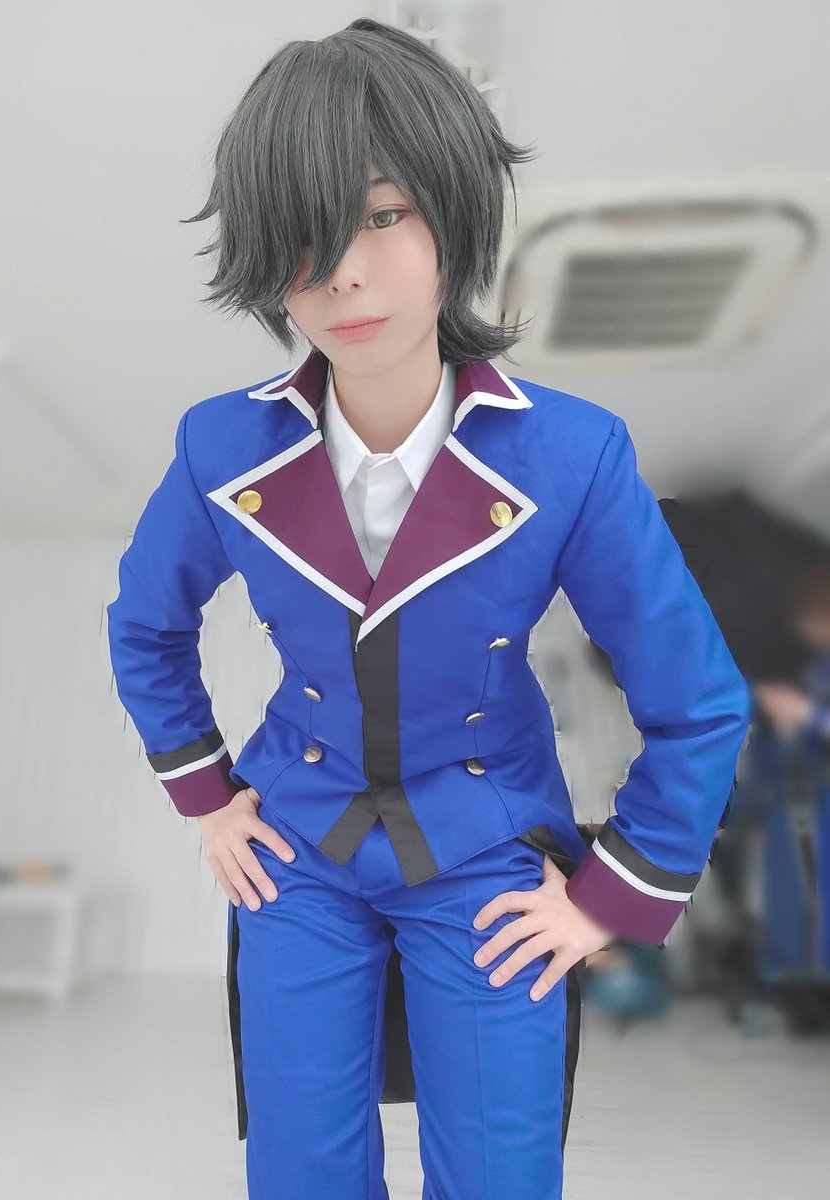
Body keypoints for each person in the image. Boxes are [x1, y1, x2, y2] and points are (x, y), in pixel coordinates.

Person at [105, 18, 752, 1200]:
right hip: (296, 845)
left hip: (487, 848)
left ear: (453, 214)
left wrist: (610, 898)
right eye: (302, 236)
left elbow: (699, 701)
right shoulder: (222, 447)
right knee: (299, 1176)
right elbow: (146, 626)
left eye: (384, 214)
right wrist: (207, 799)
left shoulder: (573, 455)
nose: (341, 273)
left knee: (502, 1178)